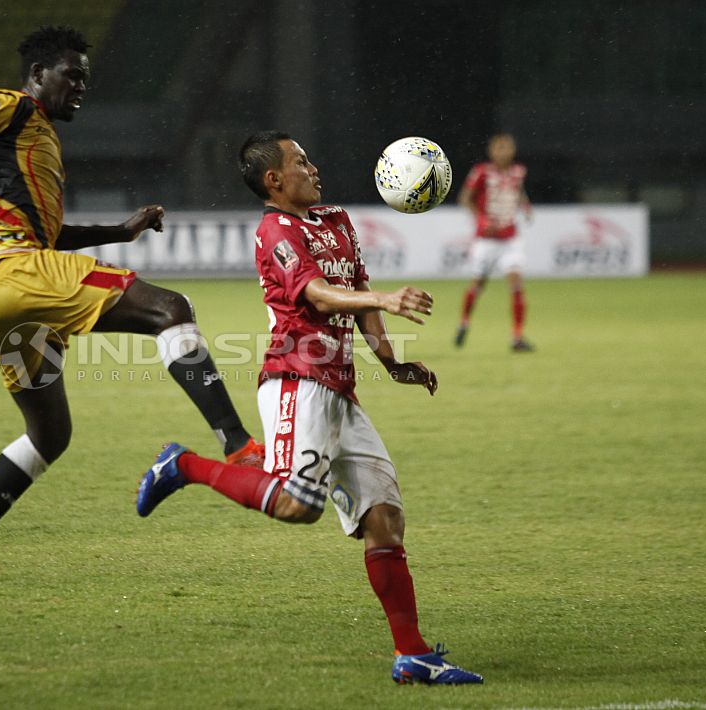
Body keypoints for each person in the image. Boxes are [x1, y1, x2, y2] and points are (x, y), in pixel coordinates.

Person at [0, 25, 262, 618]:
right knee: (172, 310)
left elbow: (49, 235)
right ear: (37, 76)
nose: (81, 85)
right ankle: (238, 448)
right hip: (12, 273)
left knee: (50, 435)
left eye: (85, 76)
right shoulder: (10, 105)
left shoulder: (36, 146)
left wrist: (119, 232)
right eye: (71, 74)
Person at [134, 131, 483, 686]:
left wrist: (391, 360)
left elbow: (357, 287)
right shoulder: (275, 230)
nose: (312, 166)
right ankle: (181, 465)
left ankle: (412, 654)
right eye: (299, 162)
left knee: (385, 520)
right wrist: (386, 299)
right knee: (300, 506)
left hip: (340, 390)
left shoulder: (338, 220)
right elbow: (319, 294)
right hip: (296, 379)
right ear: (274, 180)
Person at [454, 132, 535, 352]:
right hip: (486, 240)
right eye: (499, 148)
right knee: (478, 284)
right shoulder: (482, 172)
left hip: (510, 238)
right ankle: (464, 323)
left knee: (516, 282)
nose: (504, 152)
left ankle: (517, 337)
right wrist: (481, 219)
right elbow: (465, 197)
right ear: (491, 151)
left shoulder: (518, 172)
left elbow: (518, 192)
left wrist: (525, 206)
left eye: (507, 148)